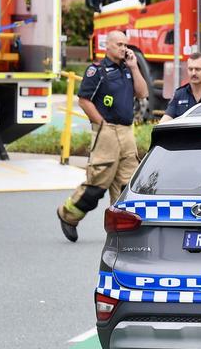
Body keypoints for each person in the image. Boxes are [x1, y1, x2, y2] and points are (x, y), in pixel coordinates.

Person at [57, 30, 148, 242]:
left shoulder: (128, 69)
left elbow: (142, 93)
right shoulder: (97, 70)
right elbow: (84, 100)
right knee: (98, 183)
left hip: (127, 132)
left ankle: (123, 230)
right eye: (119, 44)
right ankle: (68, 215)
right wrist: (101, 123)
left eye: (126, 44)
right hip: (107, 131)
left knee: (128, 185)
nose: (124, 48)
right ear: (107, 46)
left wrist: (134, 67)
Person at [160, 52, 201, 122]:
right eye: (190, 69)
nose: (193, 73)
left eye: (198, 69)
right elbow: (165, 121)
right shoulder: (179, 94)